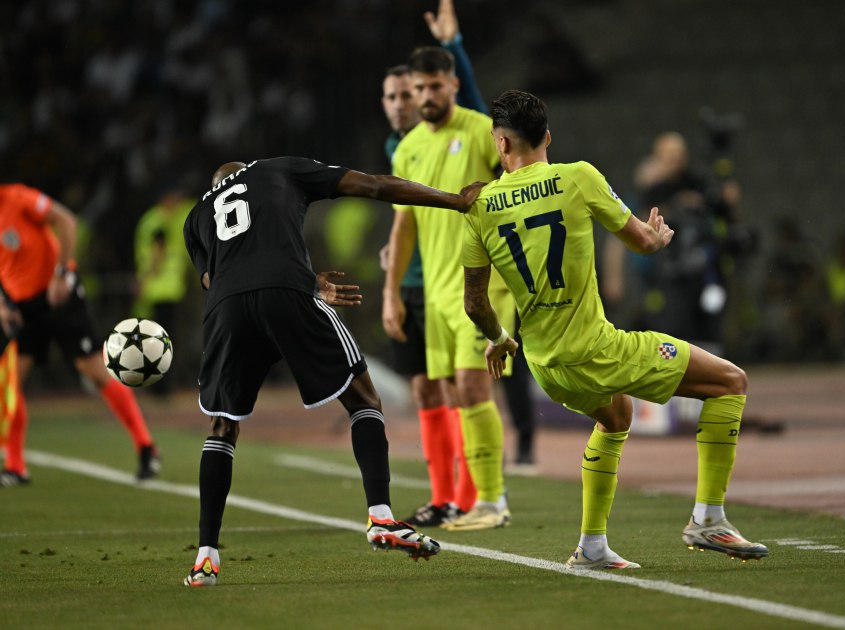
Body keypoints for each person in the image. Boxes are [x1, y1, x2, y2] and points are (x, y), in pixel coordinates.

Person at [461, 90, 768, 569]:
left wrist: (501, 339)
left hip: (545, 365)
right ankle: (709, 519)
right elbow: (644, 241)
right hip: (596, 350)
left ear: (500, 144)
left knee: (617, 417)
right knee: (730, 382)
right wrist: (659, 237)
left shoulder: (479, 206)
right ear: (547, 137)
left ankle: (592, 547)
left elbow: (475, 303)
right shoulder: (577, 177)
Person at [181, 156, 482, 587]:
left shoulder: (195, 217)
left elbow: (211, 279)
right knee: (363, 398)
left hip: (226, 309)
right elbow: (375, 185)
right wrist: (454, 200)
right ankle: (381, 517)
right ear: (246, 169)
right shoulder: (277, 168)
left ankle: (205, 557)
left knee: (222, 427)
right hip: (286, 291)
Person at [380, 0, 535, 526]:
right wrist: (390, 292)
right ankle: (465, 499)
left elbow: (524, 178)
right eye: (417, 88)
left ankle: (494, 500)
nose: (425, 96)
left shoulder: (479, 131)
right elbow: (403, 223)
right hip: (438, 291)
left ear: (450, 84)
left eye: (434, 86)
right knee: (449, 392)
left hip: (484, 285)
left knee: (472, 387)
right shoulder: (406, 150)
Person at [0, 183, 161, 487]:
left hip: (58, 296)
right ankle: (15, 466)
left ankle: (146, 447)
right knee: (11, 382)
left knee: (95, 372)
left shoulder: (17, 198)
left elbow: (66, 220)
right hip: (22, 307)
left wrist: (62, 274)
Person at [133, 188, 193, 393]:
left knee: (155, 338)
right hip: (162, 290)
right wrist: (144, 279)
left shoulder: (152, 219)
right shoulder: (159, 221)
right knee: (162, 339)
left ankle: (157, 385)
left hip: (162, 290)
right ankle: (161, 387)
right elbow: (159, 252)